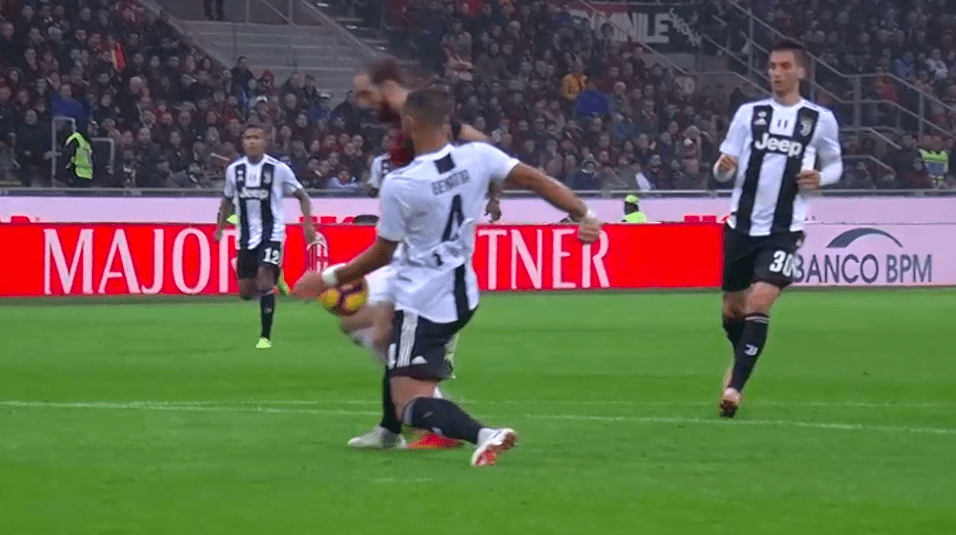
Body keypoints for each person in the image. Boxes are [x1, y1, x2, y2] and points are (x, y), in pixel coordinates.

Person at [293, 87, 601, 466]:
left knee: (409, 402)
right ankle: (388, 433)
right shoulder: (479, 156)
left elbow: (381, 252)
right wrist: (585, 214)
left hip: (422, 298)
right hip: (460, 290)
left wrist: (326, 279)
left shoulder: (402, 183)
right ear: (447, 121)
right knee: (378, 333)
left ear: (409, 123)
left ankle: (483, 434)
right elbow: (537, 180)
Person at [340, 58, 502, 450]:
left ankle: (426, 418)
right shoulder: (404, 121)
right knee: (364, 327)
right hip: (410, 248)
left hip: (425, 257)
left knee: (377, 331)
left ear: (387, 86)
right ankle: (391, 429)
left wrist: (491, 194)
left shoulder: (419, 113)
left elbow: (480, 142)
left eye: (365, 93)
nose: (361, 102)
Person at [712, 39, 843, 417]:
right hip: (741, 226)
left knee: (758, 303)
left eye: (785, 66)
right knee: (733, 310)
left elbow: (836, 164)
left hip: (785, 229)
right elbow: (723, 171)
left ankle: (734, 389)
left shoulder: (819, 119)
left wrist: (822, 177)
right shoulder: (748, 114)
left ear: (801, 71)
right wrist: (722, 168)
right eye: (772, 67)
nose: (777, 73)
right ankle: (739, 362)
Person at [214, 124, 316, 349]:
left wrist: (308, 224)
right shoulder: (234, 170)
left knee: (264, 278)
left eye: (256, 138)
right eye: (248, 138)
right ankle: (276, 273)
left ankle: (265, 337)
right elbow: (227, 199)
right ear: (243, 142)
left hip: (272, 232)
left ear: (264, 142)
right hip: (245, 235)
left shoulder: (278, 169)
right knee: (246, 292)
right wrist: (220, 227)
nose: (251, 141)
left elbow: (303, 196)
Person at [63, 119, 95, 187]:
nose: (91, 129)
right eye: (90, 126)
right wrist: (65, 175)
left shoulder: (88, 141)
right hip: (75, 175)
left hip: (87, 176)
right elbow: (66, 156)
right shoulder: (75, 138)